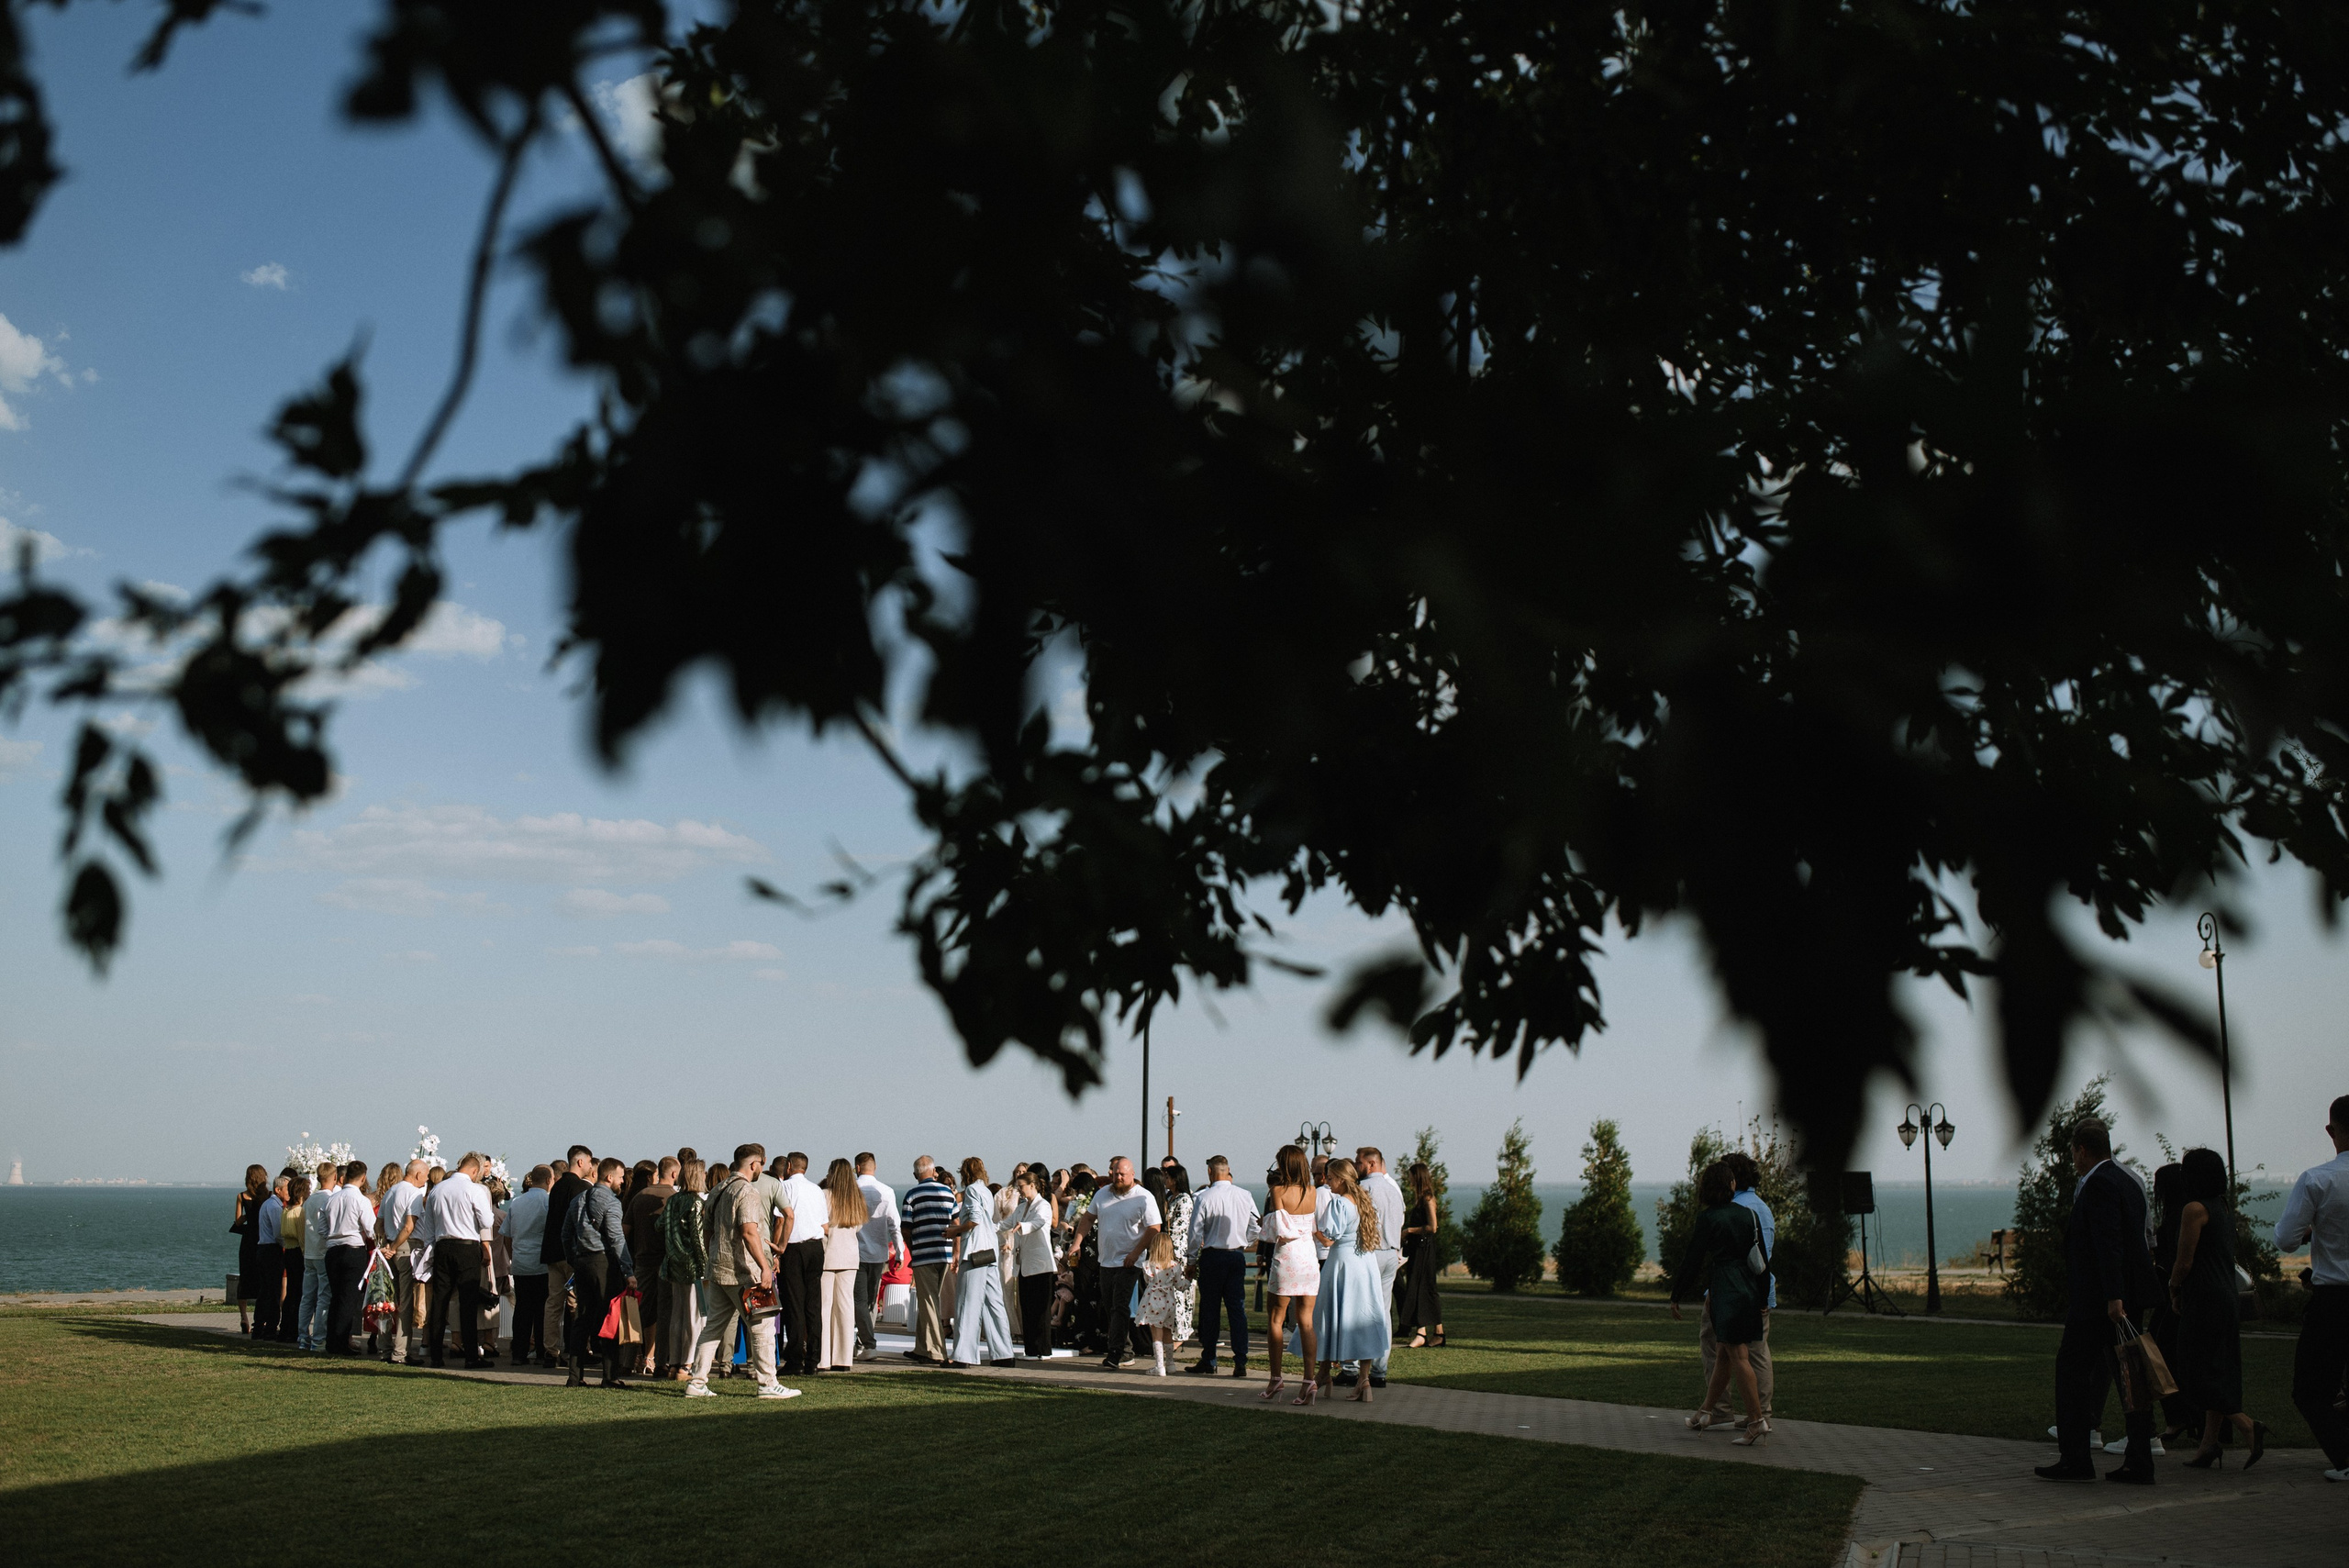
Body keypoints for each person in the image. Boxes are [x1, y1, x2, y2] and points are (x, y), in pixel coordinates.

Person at [2033, 1117, 2160, 1483]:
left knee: (2071, 1371)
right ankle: (2140, 1460)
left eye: (2073, 1153)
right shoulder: (2129, 1182)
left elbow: (2108, 1244)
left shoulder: (2097, 1184)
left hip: (2099, 1302)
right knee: (2131, 1380)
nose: (2073, 1160)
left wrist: (2112, 1296)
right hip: (2125, 1297)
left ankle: (2076, 1459)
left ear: (2081, 1150)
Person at [2169, 1147, 2269, 1468]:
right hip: (2226, 1296)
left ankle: (2245, 1425)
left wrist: (2173, 1288)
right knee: (2218, 1366)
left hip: (2204, 1297)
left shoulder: (2193, 1209)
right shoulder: (2222, 1207)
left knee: (2190, 1368)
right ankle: (2208, 1444)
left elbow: (2184, 1262)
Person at [2273, 1095, 2349, 1482]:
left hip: (2335, 1297)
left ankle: (2345, 1458)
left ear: (2331, 1130)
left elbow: (2286, 1239)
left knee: (2311, 1389)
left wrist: (2309, 1230)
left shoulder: (2318, 1179)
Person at [1670, 1159, 1771, 1446]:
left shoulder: (1708, 1218)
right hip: (1749, 1289)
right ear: (1731, 1185)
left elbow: (1693, 1259)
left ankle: (1756, 1421)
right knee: (1725, 1354)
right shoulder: (1749, 1215)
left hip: (1725, 1289)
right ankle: (1705, 1412)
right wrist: (1764, 1296)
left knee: (1738, 1356)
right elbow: (1763, 1260)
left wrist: (1677, 1294)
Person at [685, 1143, 797, 1400]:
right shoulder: (746, 1191)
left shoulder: (718, 1188)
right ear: (753, 1165)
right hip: (744, 1271)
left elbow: (707, 1230)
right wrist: (765, 1267)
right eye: (760, 1164)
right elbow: (749, 1232)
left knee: (713, 1327)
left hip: (718, 1268)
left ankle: (698, 1381)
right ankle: (767, 1383)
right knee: (763, 1325)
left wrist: (713, 1256)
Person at [1696, 1151, 1775, 1429]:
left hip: (1733, 1295)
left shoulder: (1736, 1210)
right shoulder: (1759, 1207)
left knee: (1728, 1352)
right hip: (1754, 1292)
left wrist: (1712, 1293)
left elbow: (1739, 1259)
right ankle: (1739, 1410)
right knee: (1747, 1353)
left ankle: (1737, 1412)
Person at [1068, 1155, 1160, 1370]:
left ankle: (1116, 1353)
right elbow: (1088, 1218)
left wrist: (1136, 1253)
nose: (1117, 1177)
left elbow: (1154, 1228)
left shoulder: (1142, 1197)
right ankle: (1126, 1351)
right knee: (1110, 1307)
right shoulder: (1103, 1194)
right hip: (1106, 1261)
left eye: (1122, 1174)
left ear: (1132, 1175)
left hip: (1130, 1262)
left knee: (1119, 1305)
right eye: (1115, 1173)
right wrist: (1077, 1243)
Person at [1309, 1158, 1389, 1402]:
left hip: (1342, 1264)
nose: (1328, 1183)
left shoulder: (1340, 1203)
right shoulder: (1364, 1201)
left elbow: (1330, 1235)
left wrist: (1313, 1230)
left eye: (1330, 1178)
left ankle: (1324, 1372)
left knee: (1328, 1316)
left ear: (1341, 1179)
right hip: (1365, 1264)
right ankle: (1363, 1378)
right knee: (1363, 1317)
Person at [563, 1156, 638, 1387]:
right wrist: (628, 1271)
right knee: (609, 1318)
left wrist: (573, 1259)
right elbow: (617, 1239)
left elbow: (566, 1234)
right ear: (609, 1177)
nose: (623, 1181)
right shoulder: (612, 1202)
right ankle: (610, 1375)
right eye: (621, 1177)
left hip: (583, 1261)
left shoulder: (578, 1200)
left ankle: (575, 1376)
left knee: (582, 1319)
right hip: (604, 1263)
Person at [423, 1151, 499, 1370]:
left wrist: (431, 1249)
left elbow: (430, 1224)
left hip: (443, 1245)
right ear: (474, 1171)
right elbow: (486, 1220)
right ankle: (471, 1356)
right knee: (468, 1301)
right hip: (467, 1246)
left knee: (440, 1301)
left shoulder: (438, 1189)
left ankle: (436, 1355)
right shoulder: (473, 1190)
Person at [1184, 1155, 1259, 1377]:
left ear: (1210, 1172)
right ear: (1228, 1171)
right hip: (1236, 1256)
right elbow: (1255, 1224)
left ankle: (1209, 1358)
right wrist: (1245, 1241)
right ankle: (1240, 1360)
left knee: (1210, 1309)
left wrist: (1191, 1260)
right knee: (1237, 1310)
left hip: (1212, 1257)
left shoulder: (1204, 1197)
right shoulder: (1244, 1195)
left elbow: (1195, 1232)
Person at [1261, 1144, 1319, 1404]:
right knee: (1306, 1321)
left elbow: (1277, 1230)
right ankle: (1309, 1380)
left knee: (1276, 1319)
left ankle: (1276, 1378)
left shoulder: (1278, 1191)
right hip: (1309, 1257)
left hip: (1287, 1257)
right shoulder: (1313, 1192)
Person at [1340, 1147, 1403, 1389]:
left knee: (1358, 1310)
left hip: (1370, 1253)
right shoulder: (1394, 1190)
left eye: (1359, 1162)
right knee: (1383, 1312)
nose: (1356, 1166)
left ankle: (1352, 1367)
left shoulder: (1364, 1190)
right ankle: (1379, 1369)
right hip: (1391, 1253)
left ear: (1372, 1164)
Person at [944, 1156, 1016, 1366]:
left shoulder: (972, 1191)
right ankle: (1004, 1353)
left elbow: (974, 1220)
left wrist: (954, 1230)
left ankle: (963, 1356)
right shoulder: (985, 1190)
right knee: (993, 1303)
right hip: (990, 1251)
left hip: (975, 1250)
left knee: (967, 1303)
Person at [2148, 1163, 2200, 1446]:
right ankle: (2191, 1417)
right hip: (2185, 1296)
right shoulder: (2189, 1210)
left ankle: (2177, 1416)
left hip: (2173, 1296)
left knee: (2158, 1355)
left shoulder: (2174, 1217)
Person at [775, 1152, 829, 1377]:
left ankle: (795, 1357)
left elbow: (781, 1219)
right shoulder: (816, 1190)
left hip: (793, 1247)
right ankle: (814, 1358)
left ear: (788, 1166)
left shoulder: (785, 1188)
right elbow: (825, 1225)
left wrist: (777, 1249)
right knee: (813, 1305)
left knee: (794, 1305)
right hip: (815, 1246)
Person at [541, 1146, 595, 1368]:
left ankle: (550, 1350)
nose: (592, 1167)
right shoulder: (582, 1187)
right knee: (577, 1303)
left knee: (553, 1303)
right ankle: (580, 1349)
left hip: (553, 1252)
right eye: (590, 1162)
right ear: (580, 1162)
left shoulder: (556, 1187)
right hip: (572, 1254)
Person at [901, 1157, 959, 1362]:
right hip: (943, 1253)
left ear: (917, 1173)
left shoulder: (912, 1195)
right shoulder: (947, 1192)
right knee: (929, 1300)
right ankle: (922, 1347)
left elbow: (906, 1229)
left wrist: (912, 1249)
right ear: (934, 1171)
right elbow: (956, 1223)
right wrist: (956, 1251)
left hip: (923, 1254)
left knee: (929, 1302)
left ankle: (937, 1352)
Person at [659, 1159, 709, 1381]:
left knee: (677, 1317)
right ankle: (686, 1365)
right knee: (695, 1318)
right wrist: (705, 1265)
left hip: (672, 1263)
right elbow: (698, 1240)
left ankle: (674, 1362)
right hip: (693, 1267)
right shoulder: (696, 1203)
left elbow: (659, 1225)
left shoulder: (672, 1201)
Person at [627, 1157, 678, 1375]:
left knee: (637, 1311)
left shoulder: (640, 1196)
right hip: (666, 1262)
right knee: (665, 1313)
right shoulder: (674, 1198)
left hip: (642, 1260)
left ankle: (628, 1360)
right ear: (674, 1174)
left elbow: (625, 1229)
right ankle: (661, 1360)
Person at [818, 1158, 869, 1372]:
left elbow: (820, 1224)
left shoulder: (825, 1196)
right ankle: (844, 1358)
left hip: (828, 1255)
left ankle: (824, 1358)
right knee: (845, 1307)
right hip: (850, 1256)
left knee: (825, 1307)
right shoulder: (856, 1198)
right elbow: (857, 1227)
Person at [1006, 1162, 1061, 1361]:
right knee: (1027, 1308)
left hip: (1040, 1265)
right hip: (1024, 1266)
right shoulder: (1021, 1208)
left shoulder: (1043, 1205)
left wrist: (1024, 1226)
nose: (1019, 1190)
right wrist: (987, 1226)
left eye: (1021, 1186)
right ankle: (1031, 1349)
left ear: (1032, 1186)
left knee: (1040, 1310)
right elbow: (1006, 1223)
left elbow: (1039, 1223)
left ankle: (1043, 1350)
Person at [321, 1157, 376, 1355]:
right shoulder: (360, 1200)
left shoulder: (331, 1199)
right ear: (363, 1178)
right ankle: (342, 1342)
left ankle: (332, 1341)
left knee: (336, 1297)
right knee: (348, 1299)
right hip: (353, 1249)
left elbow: (321, 1229)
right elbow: (371, 1230)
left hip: (333, 1249)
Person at [853, 1153, 902, 1361]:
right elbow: (894, 1223)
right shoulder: (887, 1191)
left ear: (857, 1167)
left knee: (859, 1301)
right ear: (875, 1167)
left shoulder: (852, 1189)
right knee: (871, 1303)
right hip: (879, 1254)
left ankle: (867, 1343)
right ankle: (865, 1342)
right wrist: (899, 1251)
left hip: (856, 1252)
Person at [505, 1164, 552, 1366]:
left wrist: (513, 1255)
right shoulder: (548, 1202)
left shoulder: (517, 1202)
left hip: (521, 1262)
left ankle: (519, 1352)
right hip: (541, 1263)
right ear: (550, 1180)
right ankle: (541, 1350)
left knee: (522, 1309)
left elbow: (507, 1234)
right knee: (542, 1310)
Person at [1395, 1161, 1445, 1349]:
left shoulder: (1427, 1199)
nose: (1408, 1179)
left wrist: (1410, 1231)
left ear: (1417, 1176)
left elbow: (1433, 1227)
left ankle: (1421, 1332)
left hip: (1425, 1249)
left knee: (1420, 1288)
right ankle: (1438, 1332)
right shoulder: (1420, 1198)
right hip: (1419, 1248)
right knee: (1424, 1289)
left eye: (1410, 1176)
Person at [1134, 1228, 1192, 1375]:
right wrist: (1189, 1280)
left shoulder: (1148, 1265)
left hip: (1153, 1301)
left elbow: (1148, 1281)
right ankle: (1170, 1363)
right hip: (1169, 1301)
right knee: (1168, 1331)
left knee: (1156, 1334)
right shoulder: (1175, 1266)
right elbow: (1180, 1285)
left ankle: (1159, 1365)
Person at [295, 1162, 336, 1351]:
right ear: (334, 1178)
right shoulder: (330, 1199)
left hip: (309, 1252)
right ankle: (319, 1339)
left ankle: (303, 1336)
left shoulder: (310, 1200)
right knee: (323, 1297)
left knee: (307, 1297)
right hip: (322, 1252)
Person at [232, 1164, 269, 1335]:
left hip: (247, 1242)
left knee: (245, 1276)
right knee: (264, 1278)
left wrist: (248, 1215)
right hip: (262, 1239)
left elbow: (238, 1221)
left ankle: (243, 1317)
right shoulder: (268, 1196)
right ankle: (263, 1318)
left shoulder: (242, 1196)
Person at [250, 1170, 285, 1340]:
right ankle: (270, 1328)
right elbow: (278, 1233)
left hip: (264, 1249)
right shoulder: (274, 1207)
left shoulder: (268, 1204)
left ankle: (259, 1327)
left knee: (265, 1291)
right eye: (287, 1189)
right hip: (271, 1250)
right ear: (278, 1190)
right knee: (272, 1291)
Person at [277, 1174, 310, 1346]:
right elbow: (302, 1237)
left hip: (288, 1252)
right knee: (298, 1293)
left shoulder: (286, 1211)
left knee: (292, 1292)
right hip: (298, 1253)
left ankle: (286, 1329)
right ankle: (293, 1330)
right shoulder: (299, 1212)